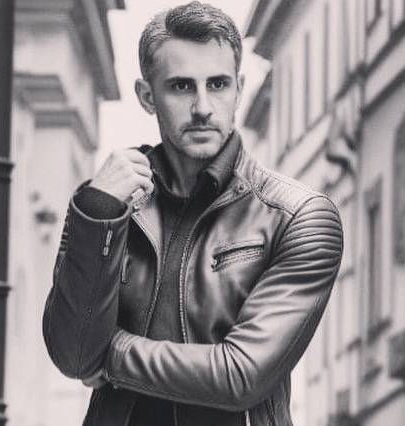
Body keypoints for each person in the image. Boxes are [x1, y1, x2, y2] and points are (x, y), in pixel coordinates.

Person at [43, 2, 343, 425]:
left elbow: (240, 376)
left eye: (218, 84)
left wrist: (108, 352)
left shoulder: (298, 218)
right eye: (182, 87)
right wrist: (98, 214)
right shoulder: (107, 207)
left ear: (239, 90)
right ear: (147, 96)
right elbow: (73, 356)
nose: (203, 107)